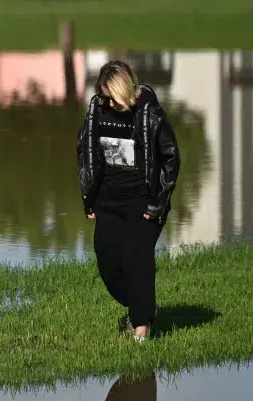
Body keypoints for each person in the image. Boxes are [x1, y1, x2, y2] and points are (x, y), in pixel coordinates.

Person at [76, 60, 181, 343]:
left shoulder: (149, 114)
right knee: (108, 265)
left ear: (123, 90)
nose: (108, 102)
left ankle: (141, 331)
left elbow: (171, 158)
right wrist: (89, 198)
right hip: (108, 203)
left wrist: (158, 204)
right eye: (104, 96)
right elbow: (85, 154)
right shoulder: (97, 112)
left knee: (137, 262)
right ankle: (143, 305)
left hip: (143, 204)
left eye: (112, 96)